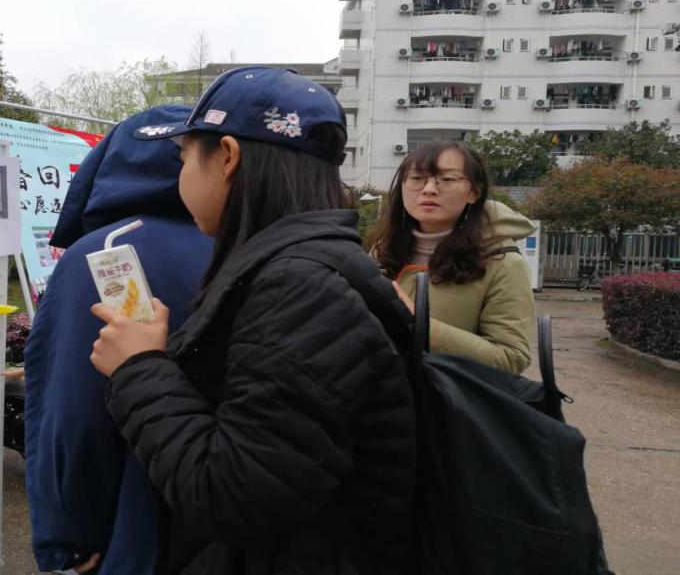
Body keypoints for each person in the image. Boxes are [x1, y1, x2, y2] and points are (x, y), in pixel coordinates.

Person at [87, 67, 416, 575]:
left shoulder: (298, 289)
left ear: (228, 156)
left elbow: (231, 497)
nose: (180, 177)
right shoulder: (310, 268)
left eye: (182, 158)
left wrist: (138, 368)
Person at [24, 105, 214, 575]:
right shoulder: (253, 246)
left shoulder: (99, 253)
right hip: (230, 518)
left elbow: (73, 411)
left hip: (133, 531)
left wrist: (68, 537)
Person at [371, 141, 537, 374]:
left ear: (474, 192)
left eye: (447, 179)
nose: (429, 189)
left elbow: (510, 359)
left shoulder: (502, 262)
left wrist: (419, 324)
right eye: (417, 178)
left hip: (444, 394)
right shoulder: (382, 251)